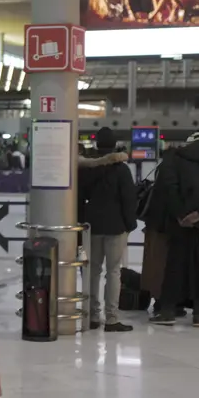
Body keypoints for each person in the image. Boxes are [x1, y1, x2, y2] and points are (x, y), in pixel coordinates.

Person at [151, 131, 199, 327]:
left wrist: (181, 214)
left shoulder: (174, 159)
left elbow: (168, 187)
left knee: (176, 267)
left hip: (180, 225)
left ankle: (168, 310)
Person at [78, 128, 136, 332]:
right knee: (113, 272)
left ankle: (93, 316)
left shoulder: (87, 168)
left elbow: (79, 197)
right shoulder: (121, 169)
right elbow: (129, 199)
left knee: (92, 271)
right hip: (116, 226)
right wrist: (130, 224)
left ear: (96, 144)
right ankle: (111, 318)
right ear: (114, 145)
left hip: (92, 226)